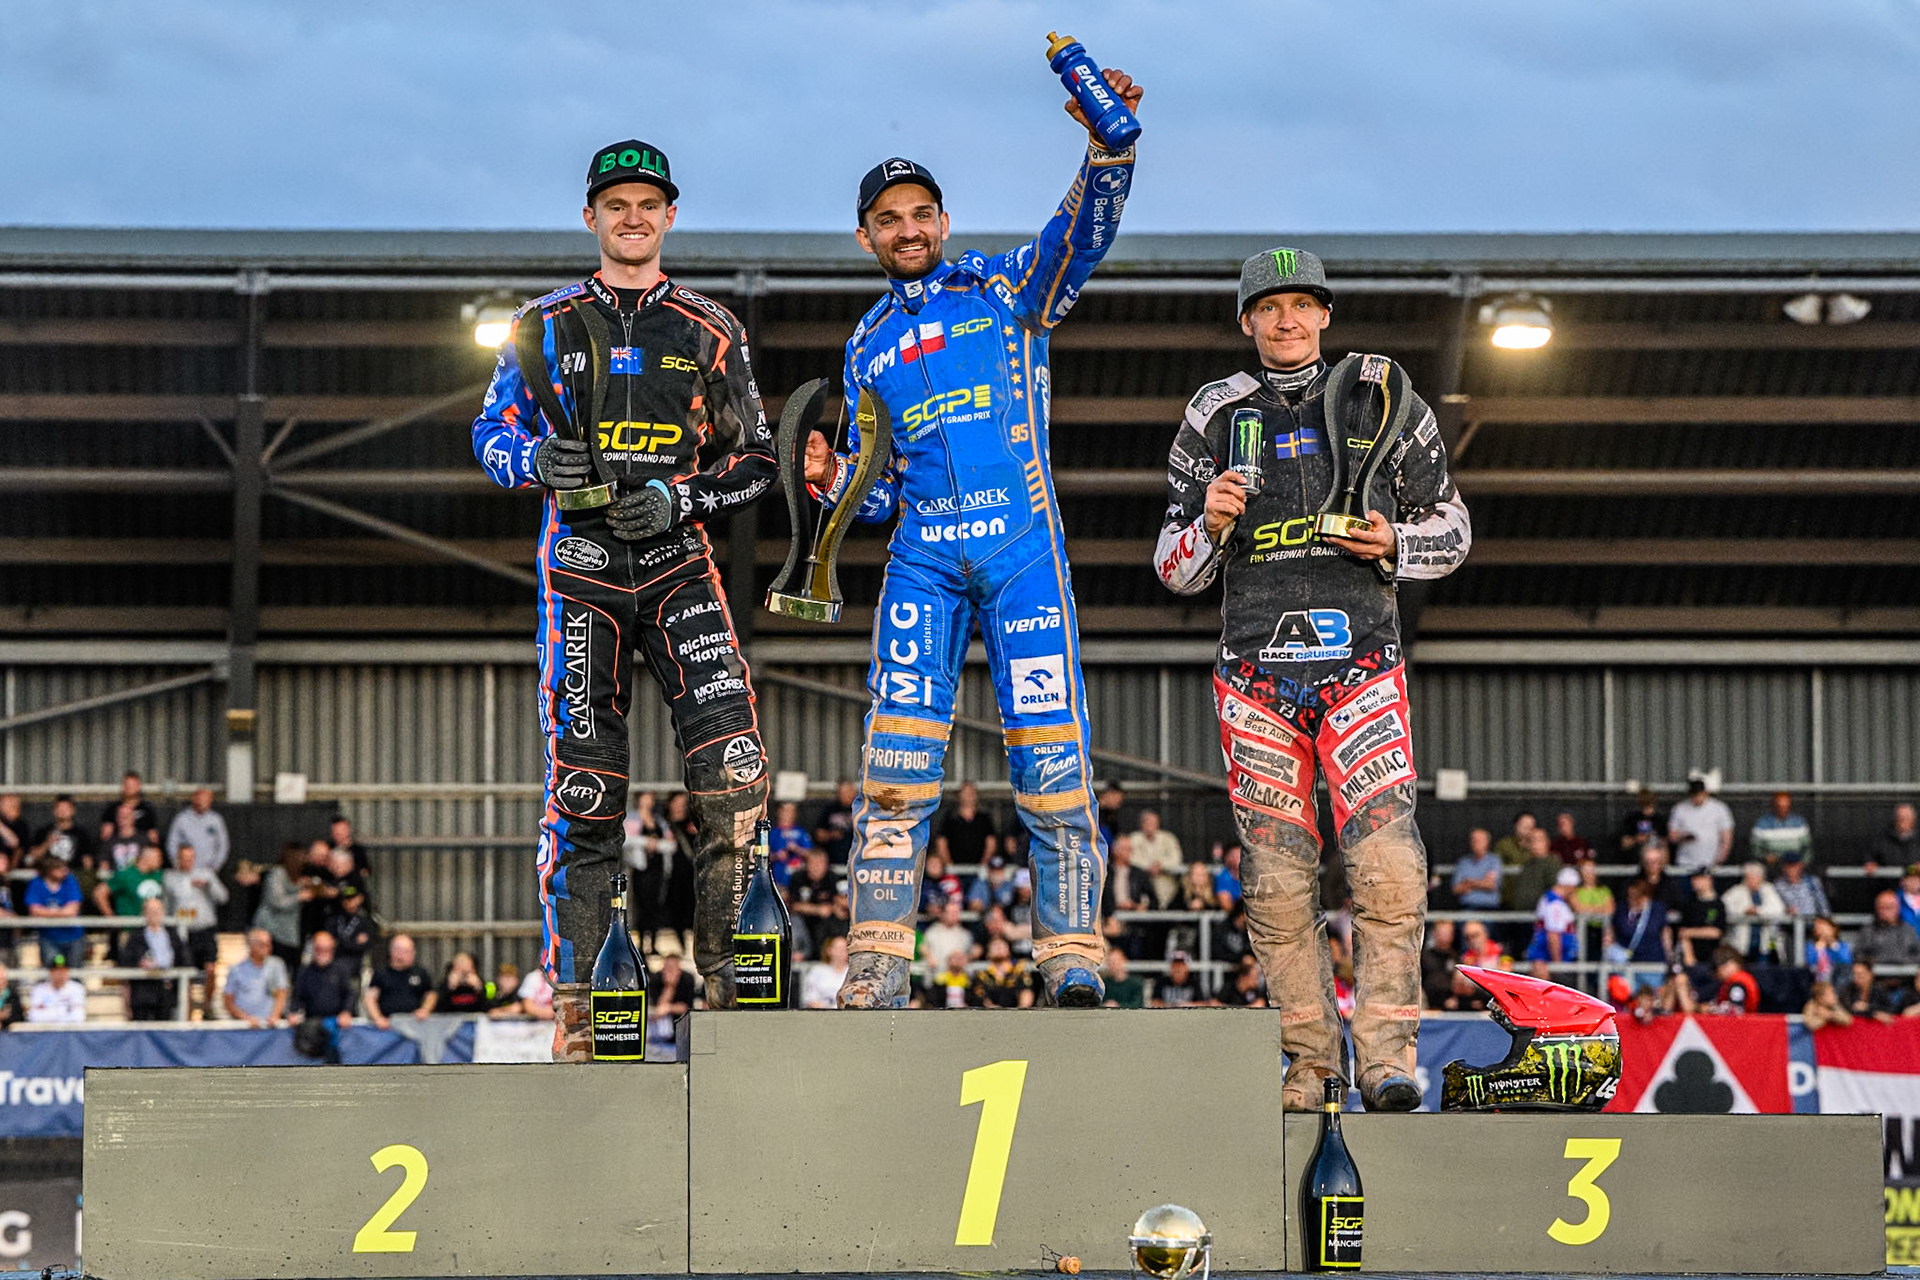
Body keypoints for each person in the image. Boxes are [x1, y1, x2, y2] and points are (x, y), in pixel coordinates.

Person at [805, 67, 1143, 1012]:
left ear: (942, 221)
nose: (908, 230)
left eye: (922, 213)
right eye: (888, 219)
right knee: (896, 768)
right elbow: (874, 496)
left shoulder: (1004, 287)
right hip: (920, 561)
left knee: (1052, 756)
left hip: (1022, 554)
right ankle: (875, 965)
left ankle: (1072, 957)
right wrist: (833, 483)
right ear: (865, 236)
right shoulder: (864, 343)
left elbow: (1083, 235)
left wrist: (1106, 150)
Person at [473, 139, 777, 1047]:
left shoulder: (712, 327)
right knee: (588, 793)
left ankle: (733, 1001)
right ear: (591, 217)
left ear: (670, 215)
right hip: (581, 573)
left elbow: (756, 459)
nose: (632, 217)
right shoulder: (539, 325)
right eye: (616, 204)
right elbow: (489, 435)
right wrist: (534, 460)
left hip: (681, 563)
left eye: (648, 203)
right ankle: (586, 1011)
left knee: (735, 774)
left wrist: (680, 496)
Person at [1158, 241, 1476, 1100]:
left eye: (1302, 305)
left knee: (1389, 868)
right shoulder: (1214, 411)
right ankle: (1310, 1063)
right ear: (1247, 321)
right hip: (1253, 676)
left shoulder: (1383, 394)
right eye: (1269, 307)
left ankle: (1387, 1058)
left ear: (1326, 314)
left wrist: (1395, 543)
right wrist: (1212, 524)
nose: (1287, 320)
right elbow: (1173, 568)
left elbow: (1453, 528)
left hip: (1361, 662)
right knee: (1274, 879)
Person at [162, 843, 227, 992]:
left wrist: (209, 885)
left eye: (190, 858)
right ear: (177, 859)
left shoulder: (206, 874)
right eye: (184, 858)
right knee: (186, 972)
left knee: (211, 969)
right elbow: (166, 906)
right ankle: (187, 1010)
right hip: (183, 931)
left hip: (205, 929)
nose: (187, 861)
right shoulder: (170, 878)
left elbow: (223, 897)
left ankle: (207, 1007)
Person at [289, 931, 356, 1062]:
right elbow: (296, 997)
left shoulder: (341, 970)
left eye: (326, 949)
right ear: (313, 949)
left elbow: (350, 994)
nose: (322, 953)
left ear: (332, 950)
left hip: (337, 1026)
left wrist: (346, 1012)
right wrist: (294, 1013)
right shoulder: (304, 972)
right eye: (318, 949)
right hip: (311, 1027)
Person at [118, 898, 187, 1021]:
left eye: (157, 910)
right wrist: (139, 963)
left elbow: (184, 959)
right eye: (150, 911)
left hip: (166, 990)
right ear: (144, 913)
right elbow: (125, 961)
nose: (154, 914)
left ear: (163, 912)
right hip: (143, 991)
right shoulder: (136, 937)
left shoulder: (173, 935)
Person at [250, 842, 307, 973]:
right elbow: (277, 901)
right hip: (273, 931)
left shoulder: (297, 877)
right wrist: (299, 896)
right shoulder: (277, 875)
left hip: (289, 933)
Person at [362, 934, 436, 1031]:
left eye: (411, 951)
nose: (412, 954)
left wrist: (425, 1010)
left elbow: (431, 994)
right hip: (388, 1027)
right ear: (395, 952)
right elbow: (370, 999)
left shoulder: (420, 972)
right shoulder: (380, 973)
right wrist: (378, 1018)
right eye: (407, 952)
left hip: (415, 1026)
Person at [785, 847, 848, 960]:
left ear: (826, 864)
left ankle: (830, 956)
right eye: (813, 863)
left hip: (827, 921)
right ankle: (799, 956)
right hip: (803, 920)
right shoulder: (798, 878)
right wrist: (817, 909)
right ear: (807, 864)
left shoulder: (833, 877)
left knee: (840, 917)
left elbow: (845, 901)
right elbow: (792, 905)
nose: (816, 867)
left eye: (820, 863)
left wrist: (833, 907)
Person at [24, 856, 85, 970]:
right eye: (60, 869)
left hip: (73, 936)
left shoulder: (70, 881)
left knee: (75, 975)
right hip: (49, 937)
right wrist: (62, 912)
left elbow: (72, 911)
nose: (65, 871)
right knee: (52, 973)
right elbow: (34, 910)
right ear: (50, 870)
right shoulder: (37, 883)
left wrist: (46, 912)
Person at [222, 928, 290, 1028]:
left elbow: (282, 993)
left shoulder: (277, 965)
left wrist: (275, 1016)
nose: (266, 947)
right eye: (262, 944)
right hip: (244, 1027)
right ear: (251, 946)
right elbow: (228, 1001)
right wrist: (246, 1019)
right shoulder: (236, 969)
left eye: (268, 944)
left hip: (270, 1026)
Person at [1720, 861, 1787, 959]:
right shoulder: (1736, 891)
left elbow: (1778, 909)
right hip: (1741, 944)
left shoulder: (1768, 889)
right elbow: (1724, 907)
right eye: (1749, 877)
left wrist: (1758, 911)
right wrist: (1744, 911)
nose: (1752, 880)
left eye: (1755, 877)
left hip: (1765, 944)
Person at [1668, 779, 1734, 874]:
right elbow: (1672, 836)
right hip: (1685, 864)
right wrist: (1683, 837)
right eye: (1694, 795)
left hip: (1710, 864)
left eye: (1699, 795)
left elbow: (1727, 837)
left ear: (1706, 793)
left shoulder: (1719, 809)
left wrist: (1720, 860)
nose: (1697, 798)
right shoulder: (1680, 809)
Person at [1526, 867, 1582, 976]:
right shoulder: (1555, 905)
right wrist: (1557, 964)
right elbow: (1553, 936)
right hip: (1548, 959)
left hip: (1549, 958)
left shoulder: (1548, 899)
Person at [933, 782, 998, 869]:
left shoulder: (984, 818)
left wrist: (984, 864)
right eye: (966, 793)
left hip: (980, 870)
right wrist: (949, 865)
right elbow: (941, 842)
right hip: (954, 870)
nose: (969, 795)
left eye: (972, 792)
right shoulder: (949, 818)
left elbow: (991, 842)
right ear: (959, 795)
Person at [165, 787, 230, 873]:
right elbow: (172, 843)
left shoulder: (216, 820)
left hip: (209, 871)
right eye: (201, 799)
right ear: (194, 799)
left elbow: (223, 846)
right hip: (185, 871)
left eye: (206, 800)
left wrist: (215, 867)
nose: (203, 803)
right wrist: (178, 865)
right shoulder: (181, 819)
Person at [1674, 868, 1727, 966]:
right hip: (1692, 957)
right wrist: (1689, 955)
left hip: (1713, 956)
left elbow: (1716, 932)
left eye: (1699, 879)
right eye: (1694, 879)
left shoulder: (1718, 904)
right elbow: (1683, 932)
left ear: (1709, 880)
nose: (1694, 882)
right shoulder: (1689, 904)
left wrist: (1691, 932)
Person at [1130, 809, 1184, 905]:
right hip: (1141, 886)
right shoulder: (1133, 838)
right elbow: (1130, 859)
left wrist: (1160, 865)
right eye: (1147, 822)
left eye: (1153, 822)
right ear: (1141, 824)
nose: (1150, 825)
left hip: (1166, 886)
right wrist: (1148, 867)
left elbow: (1176, 859)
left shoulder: (1169, 838)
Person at [29, 795, 96, 870]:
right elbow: (32, 857)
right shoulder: (43, 832)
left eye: (66, 808)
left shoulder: (82, 834)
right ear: (54, 811)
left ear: (73, 810)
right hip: (48, 877)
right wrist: (47, 844)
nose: (63, 812)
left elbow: (87, 861)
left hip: (72, 877)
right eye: (60, 808)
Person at [1856, 890, 1920, 968]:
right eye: (1883, 907)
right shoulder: (1867, 931)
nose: (1887, 911)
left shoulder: (1908, 929)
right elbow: (1859, 955)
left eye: (1890, 907)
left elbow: (1917, 954)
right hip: (1876, 976)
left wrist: (1904, 961)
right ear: (1877, 909)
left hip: (1905, 977)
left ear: (1898, 908)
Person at [324, 885, 377, 975]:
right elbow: (328, 939)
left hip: (355, 959)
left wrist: (341, 942)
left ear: (360, 899)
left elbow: (365, 945)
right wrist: (352, 941)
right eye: (346, 899)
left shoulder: (365, 921)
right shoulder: (334, 920)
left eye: (352, 898)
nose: (349, 902)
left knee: (340, 968)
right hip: (335, 957)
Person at [970, 937, 1034, 1009]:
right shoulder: (982, 974)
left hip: (1015, 1011)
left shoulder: (1018, 970)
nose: (999, 948)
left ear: (1008, 950)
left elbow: (1026, 992)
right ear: (988, 953)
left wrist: (1020, 1010)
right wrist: (993, 1008)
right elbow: (980, 995)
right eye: (995, 946)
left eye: (1002, 946)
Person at [1750, 791, 1812, 866]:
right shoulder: (1762, 823)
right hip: (1771, 866)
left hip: (1795, 865)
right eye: (1779, 807)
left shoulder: (1800, 823)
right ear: (1773, 806)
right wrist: (1765, 857)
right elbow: (1755, 850)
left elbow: (1807, 848)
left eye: (1786, 807)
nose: (1783, 810)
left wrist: (1803, 864)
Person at [97, 772, 158, 844]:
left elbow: (153, 836)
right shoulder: (112, 809)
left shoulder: (146, 810)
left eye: (132, 785)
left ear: (138, 786)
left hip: (141, 847)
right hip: (117, 847)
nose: (129, 788)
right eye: (127, 785)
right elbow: (105, 835)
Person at [1450, 829, 1502, 911]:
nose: (1475, 843)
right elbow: (1456, 889)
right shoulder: (1463, 862)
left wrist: (1469, 882)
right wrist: (1481, 883)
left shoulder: (1494, 861)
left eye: (1479, 840)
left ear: (1487, 843)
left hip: (1489, 908)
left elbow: (1490, 885)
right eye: (1473, 840)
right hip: (1467, 907)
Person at [920, 898, 977, 972]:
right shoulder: (932, 932)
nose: (953, 915)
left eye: (956, 912)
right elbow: (924, 949)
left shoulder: (965, 935)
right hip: (936, 975)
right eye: (950, 912)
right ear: (942, 914)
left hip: (959, 976)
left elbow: (969, 956)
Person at [26, 955, 86, 1024]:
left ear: (67, 972)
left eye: (63, 971)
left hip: (69, 1031)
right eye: (56, 971)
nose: (59, 975)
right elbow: (34, 1016)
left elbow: (78, 1017)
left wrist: (48, 1011)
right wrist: (64, 1011)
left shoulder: (77, 988)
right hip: (44, 1031)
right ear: (51, 973)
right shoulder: (39, 990)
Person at [1773, 851, 1830, 920]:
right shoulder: (1778, 885)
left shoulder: (1812, 881)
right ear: (1783, 867)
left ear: (1801, 866)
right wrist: (1785, 910)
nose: (1791, 869)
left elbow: (1822, 904)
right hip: (1789, 924)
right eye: (1788, 866)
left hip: (1811, 922)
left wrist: (1826, 920)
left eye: (1794, 866)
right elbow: (1775, 907)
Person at [813, 780, 858, 865]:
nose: (845, 795)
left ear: (854, 792)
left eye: (847, 791)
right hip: (833, 860)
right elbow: (818, 834)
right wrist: (830, 835)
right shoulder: (830, 810)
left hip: (857, 861)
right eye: (842, 792)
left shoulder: (863, 810)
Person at [801, 935, 851, 1010]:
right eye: (839, 949)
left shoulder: (853, 972)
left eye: (845, 949)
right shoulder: (817, 971)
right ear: (829, 950)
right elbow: (809, 999)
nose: (842, 952)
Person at [1420, 919, 1461, 1011]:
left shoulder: (1456, 957)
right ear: (1434, 933)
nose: (1445, 936)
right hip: (1428, 1005)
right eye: (1442, 933)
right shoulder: (1424, 956)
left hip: (1453, 1006)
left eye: (1448, 933)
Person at [1707, 946, 1760, 1015]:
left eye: (1719, 971)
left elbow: (1735, 1009)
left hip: (1743, 1023)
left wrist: (1712, 1009)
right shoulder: (1733, 982)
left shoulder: (1738, 983)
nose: (1718, 976)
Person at [1867, 803, 1919, 874]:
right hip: (1888, 883)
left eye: (1907, 817)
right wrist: (1870, 864)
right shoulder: (1882, 839)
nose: (1903, 821)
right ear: (1895, 819)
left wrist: (1914, 875)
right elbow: (1871, 859)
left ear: (1913, 819)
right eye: (1899, 817)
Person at [1618, 788, 1664, 857]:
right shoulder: (1632, 818)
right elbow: (1624, 844)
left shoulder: (1659, 819)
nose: (1648, 809)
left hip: (1654, 857)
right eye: (1645, 805)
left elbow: (1664, 844)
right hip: (1635, 859)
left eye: (1650, 805)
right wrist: (1637, 839)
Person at [1806, 916, 1853, 984]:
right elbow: (1811, 964)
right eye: (1818, 927)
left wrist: (1833, 946)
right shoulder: (1811, 946)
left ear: (1833, 929)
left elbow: (1846, 962)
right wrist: (1820, 951)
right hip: (1817, 981)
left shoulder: (1842, 946)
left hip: (1838, 980)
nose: (1822, 931)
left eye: (1824, 927)